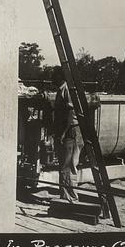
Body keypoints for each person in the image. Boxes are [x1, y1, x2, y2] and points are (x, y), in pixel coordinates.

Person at [51, 66, 80, 203]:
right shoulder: (60, 90)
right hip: (62, 131)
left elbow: (70, 114)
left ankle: (71, 196)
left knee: (67, 165)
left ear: (60, 76)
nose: (52, 79)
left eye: (54, 76)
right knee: (63, 164)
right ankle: (65, 195)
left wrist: (63, 133)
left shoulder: (66, 89)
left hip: (68, 131)